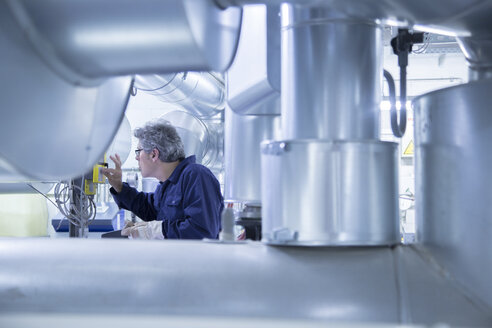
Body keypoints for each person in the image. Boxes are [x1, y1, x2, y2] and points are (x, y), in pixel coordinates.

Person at [101, 119, 224, 239]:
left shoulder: (196, 175)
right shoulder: (167, 185)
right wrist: (119, 186)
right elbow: (149, 208)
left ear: (154, 154)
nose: (137, 157)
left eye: (138, 151)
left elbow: (203, 231)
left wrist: (156, 230)